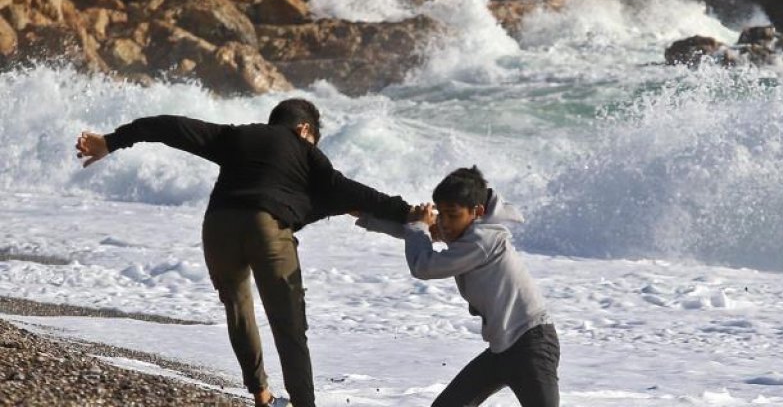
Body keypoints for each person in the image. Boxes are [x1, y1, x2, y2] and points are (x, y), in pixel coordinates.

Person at [75, 98, 416, 407]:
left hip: (217, 227)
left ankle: (261, 396)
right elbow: (346, 188)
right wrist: (407, 212)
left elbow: (169, 126)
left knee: (239, 310)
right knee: (288, 324)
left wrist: (111, 141)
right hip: (264, 226)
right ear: (304, 129)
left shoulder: (236, 137)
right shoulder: (302, 146)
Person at [358, 166, 560, 407]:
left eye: (452, 215)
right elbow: (419, 235)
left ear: (477, 211)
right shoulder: (469, 231)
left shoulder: (482, 240)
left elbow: (424, 266)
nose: (444, 223)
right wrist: (368, 218)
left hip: (531, 345)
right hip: (503, 347)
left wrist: (418, 227)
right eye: (440, 215)